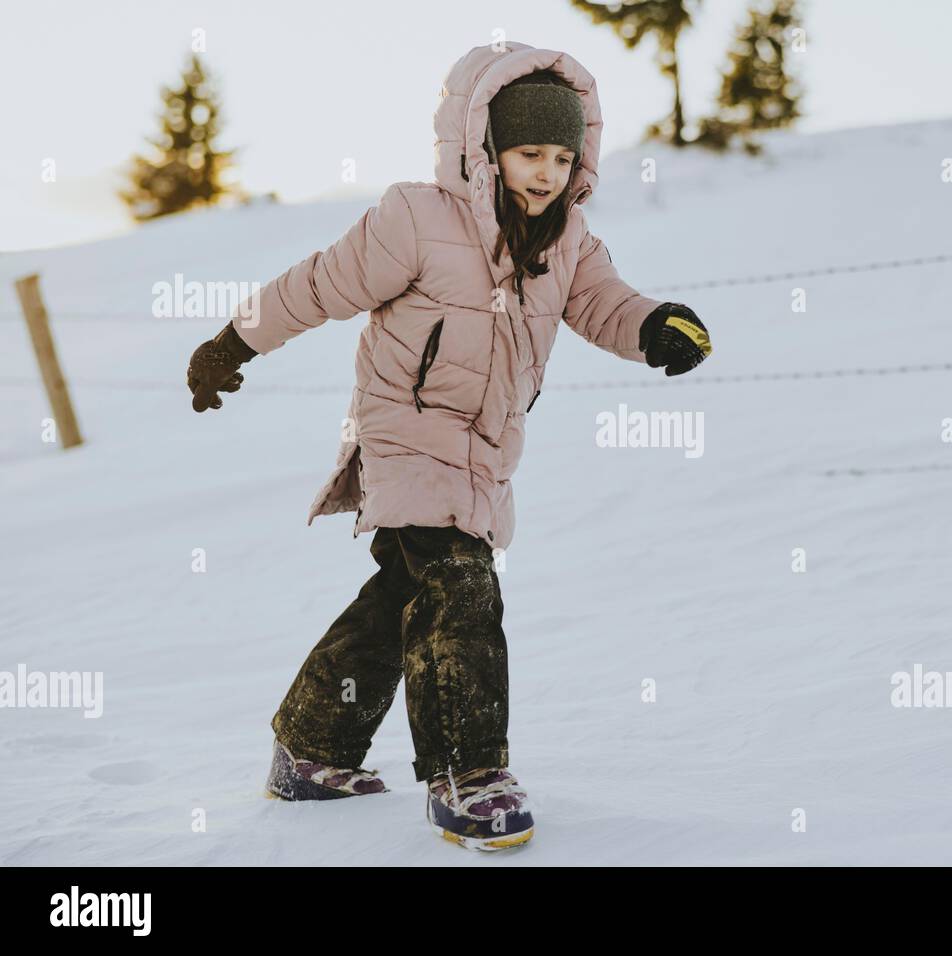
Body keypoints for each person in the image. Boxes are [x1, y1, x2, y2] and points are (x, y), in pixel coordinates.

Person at [185, 42, 713, 852]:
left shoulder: (568, 241)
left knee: (403, 593)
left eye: (563, 155)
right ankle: (470, 777)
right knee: (461, 591)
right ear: (485, 148)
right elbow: (320, 283)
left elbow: (609, 305)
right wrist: (234, 343)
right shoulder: (417, 220)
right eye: (529, 152)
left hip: (485, 454)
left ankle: (312, 747)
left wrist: (655, 328)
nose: (545, 172)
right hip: (404, 436)